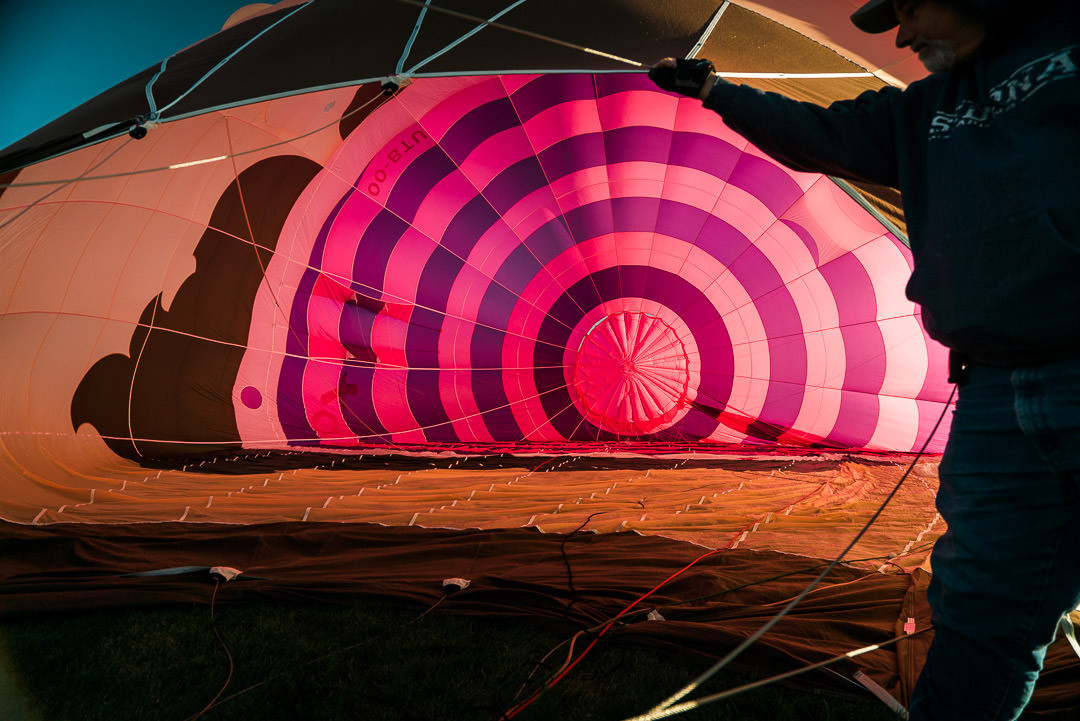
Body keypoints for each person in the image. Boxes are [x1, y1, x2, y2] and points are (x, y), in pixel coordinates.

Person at [649, 1, 1080, 719]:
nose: (904, 37)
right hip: (996, 391)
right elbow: (819, 132)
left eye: (911, 8)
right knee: (983, 615)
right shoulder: (924, 111)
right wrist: (716, 93)